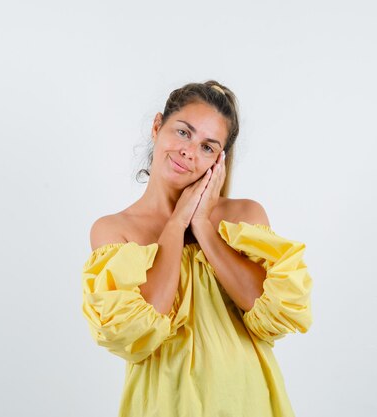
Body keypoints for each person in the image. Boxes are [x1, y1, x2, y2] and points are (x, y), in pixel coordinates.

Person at [81, 80, 313, 417]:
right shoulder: (115, 231)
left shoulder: (243, 218)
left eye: (208, 147)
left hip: (247, 403)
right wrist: (176, 225)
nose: (189, 151)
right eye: (183, 132)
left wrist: (203, 226)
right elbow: (141, 326)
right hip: (164, 405)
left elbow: (269, 311)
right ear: (157, 126)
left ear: (219, 160)